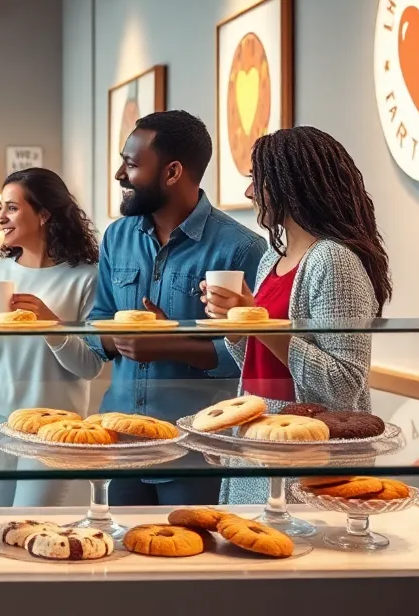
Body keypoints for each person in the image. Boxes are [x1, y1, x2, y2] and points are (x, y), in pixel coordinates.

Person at [85, 110, 266, 507]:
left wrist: (169, 344)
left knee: (195, 563)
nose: (119, 174)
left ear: (172, 173)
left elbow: (255, 354)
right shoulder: (117, 237)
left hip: (197, 449)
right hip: (118, 443)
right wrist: (115, 338)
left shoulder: (242, 249)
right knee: (112, 559)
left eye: (131, 164)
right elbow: (95, 320)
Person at [203, 127, 391, 504]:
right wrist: (238, 327)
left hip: (308, 451)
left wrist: (259, 323)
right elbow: (261, 363)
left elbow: (343, 383)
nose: (249, 193)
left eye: (257, 180)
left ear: (290, 184)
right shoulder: (273, 258)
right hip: (262, 439)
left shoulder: (332, 260)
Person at [0, 168, 102, 507]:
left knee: (31, 522)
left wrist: (51, 325)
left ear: (43, 214)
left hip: (54, 425)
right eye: (0, 208)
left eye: (11, 208)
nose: (1, 218)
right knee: (0, 522)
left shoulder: (85, 277)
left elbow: (90, 366)